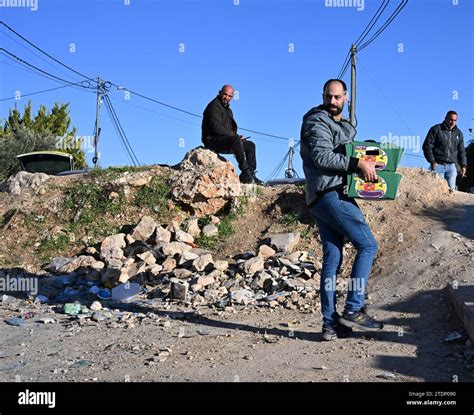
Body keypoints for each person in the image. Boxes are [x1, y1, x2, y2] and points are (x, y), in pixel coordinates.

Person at [300, 79, 384, 341]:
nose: (333, 101)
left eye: (337, 97)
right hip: (329, 194)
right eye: (329, 97)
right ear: (323, 96)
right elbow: (322, 157)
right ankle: (354, 307)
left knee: (333, 259)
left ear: (345, 97)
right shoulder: (316, 121)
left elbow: (350, 150)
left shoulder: (343, 124)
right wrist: (357, 164)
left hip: (325, 195)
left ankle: (330, 325)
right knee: (368, 246)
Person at [202, 85, 263, 185]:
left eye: (229, 96)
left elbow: (229, 130)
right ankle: (245, 170)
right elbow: (216, 128)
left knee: (250, 145)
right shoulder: (213, 107)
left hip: (225, 140)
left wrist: (238, 137)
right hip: (212, 140)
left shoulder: (228, 110)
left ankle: (250, 174)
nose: (226, 97)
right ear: (220, 93)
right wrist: (235, 137)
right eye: (225, 94)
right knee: (235, 139)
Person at [422, 111, 467, 193]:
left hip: (452, 167)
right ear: (445, 118)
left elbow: (462, 151)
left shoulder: (459, 133)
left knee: (451, 191)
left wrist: (463, 165)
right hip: (438, 165)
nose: (452, 122)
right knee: (438, 191)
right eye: (450, 119)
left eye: (455, 120)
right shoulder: (436, 129)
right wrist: (432, 162)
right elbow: (427, 146)